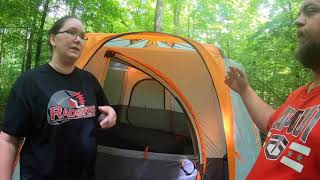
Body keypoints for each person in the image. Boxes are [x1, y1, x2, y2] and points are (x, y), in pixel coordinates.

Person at [0, 16, 117, 180]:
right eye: (71, 32)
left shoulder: (89, 81)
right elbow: (8, 139)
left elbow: (102, 113)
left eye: (82, 36)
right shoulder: (30, 82)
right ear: (53, 39)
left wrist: (111, 114)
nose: (78, 40)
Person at [225, 0, 320, 179]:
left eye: (311, 11)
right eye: (299, 13)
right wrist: (244, 90)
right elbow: (272, 124)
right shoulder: (299, 94)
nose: (298, 20)